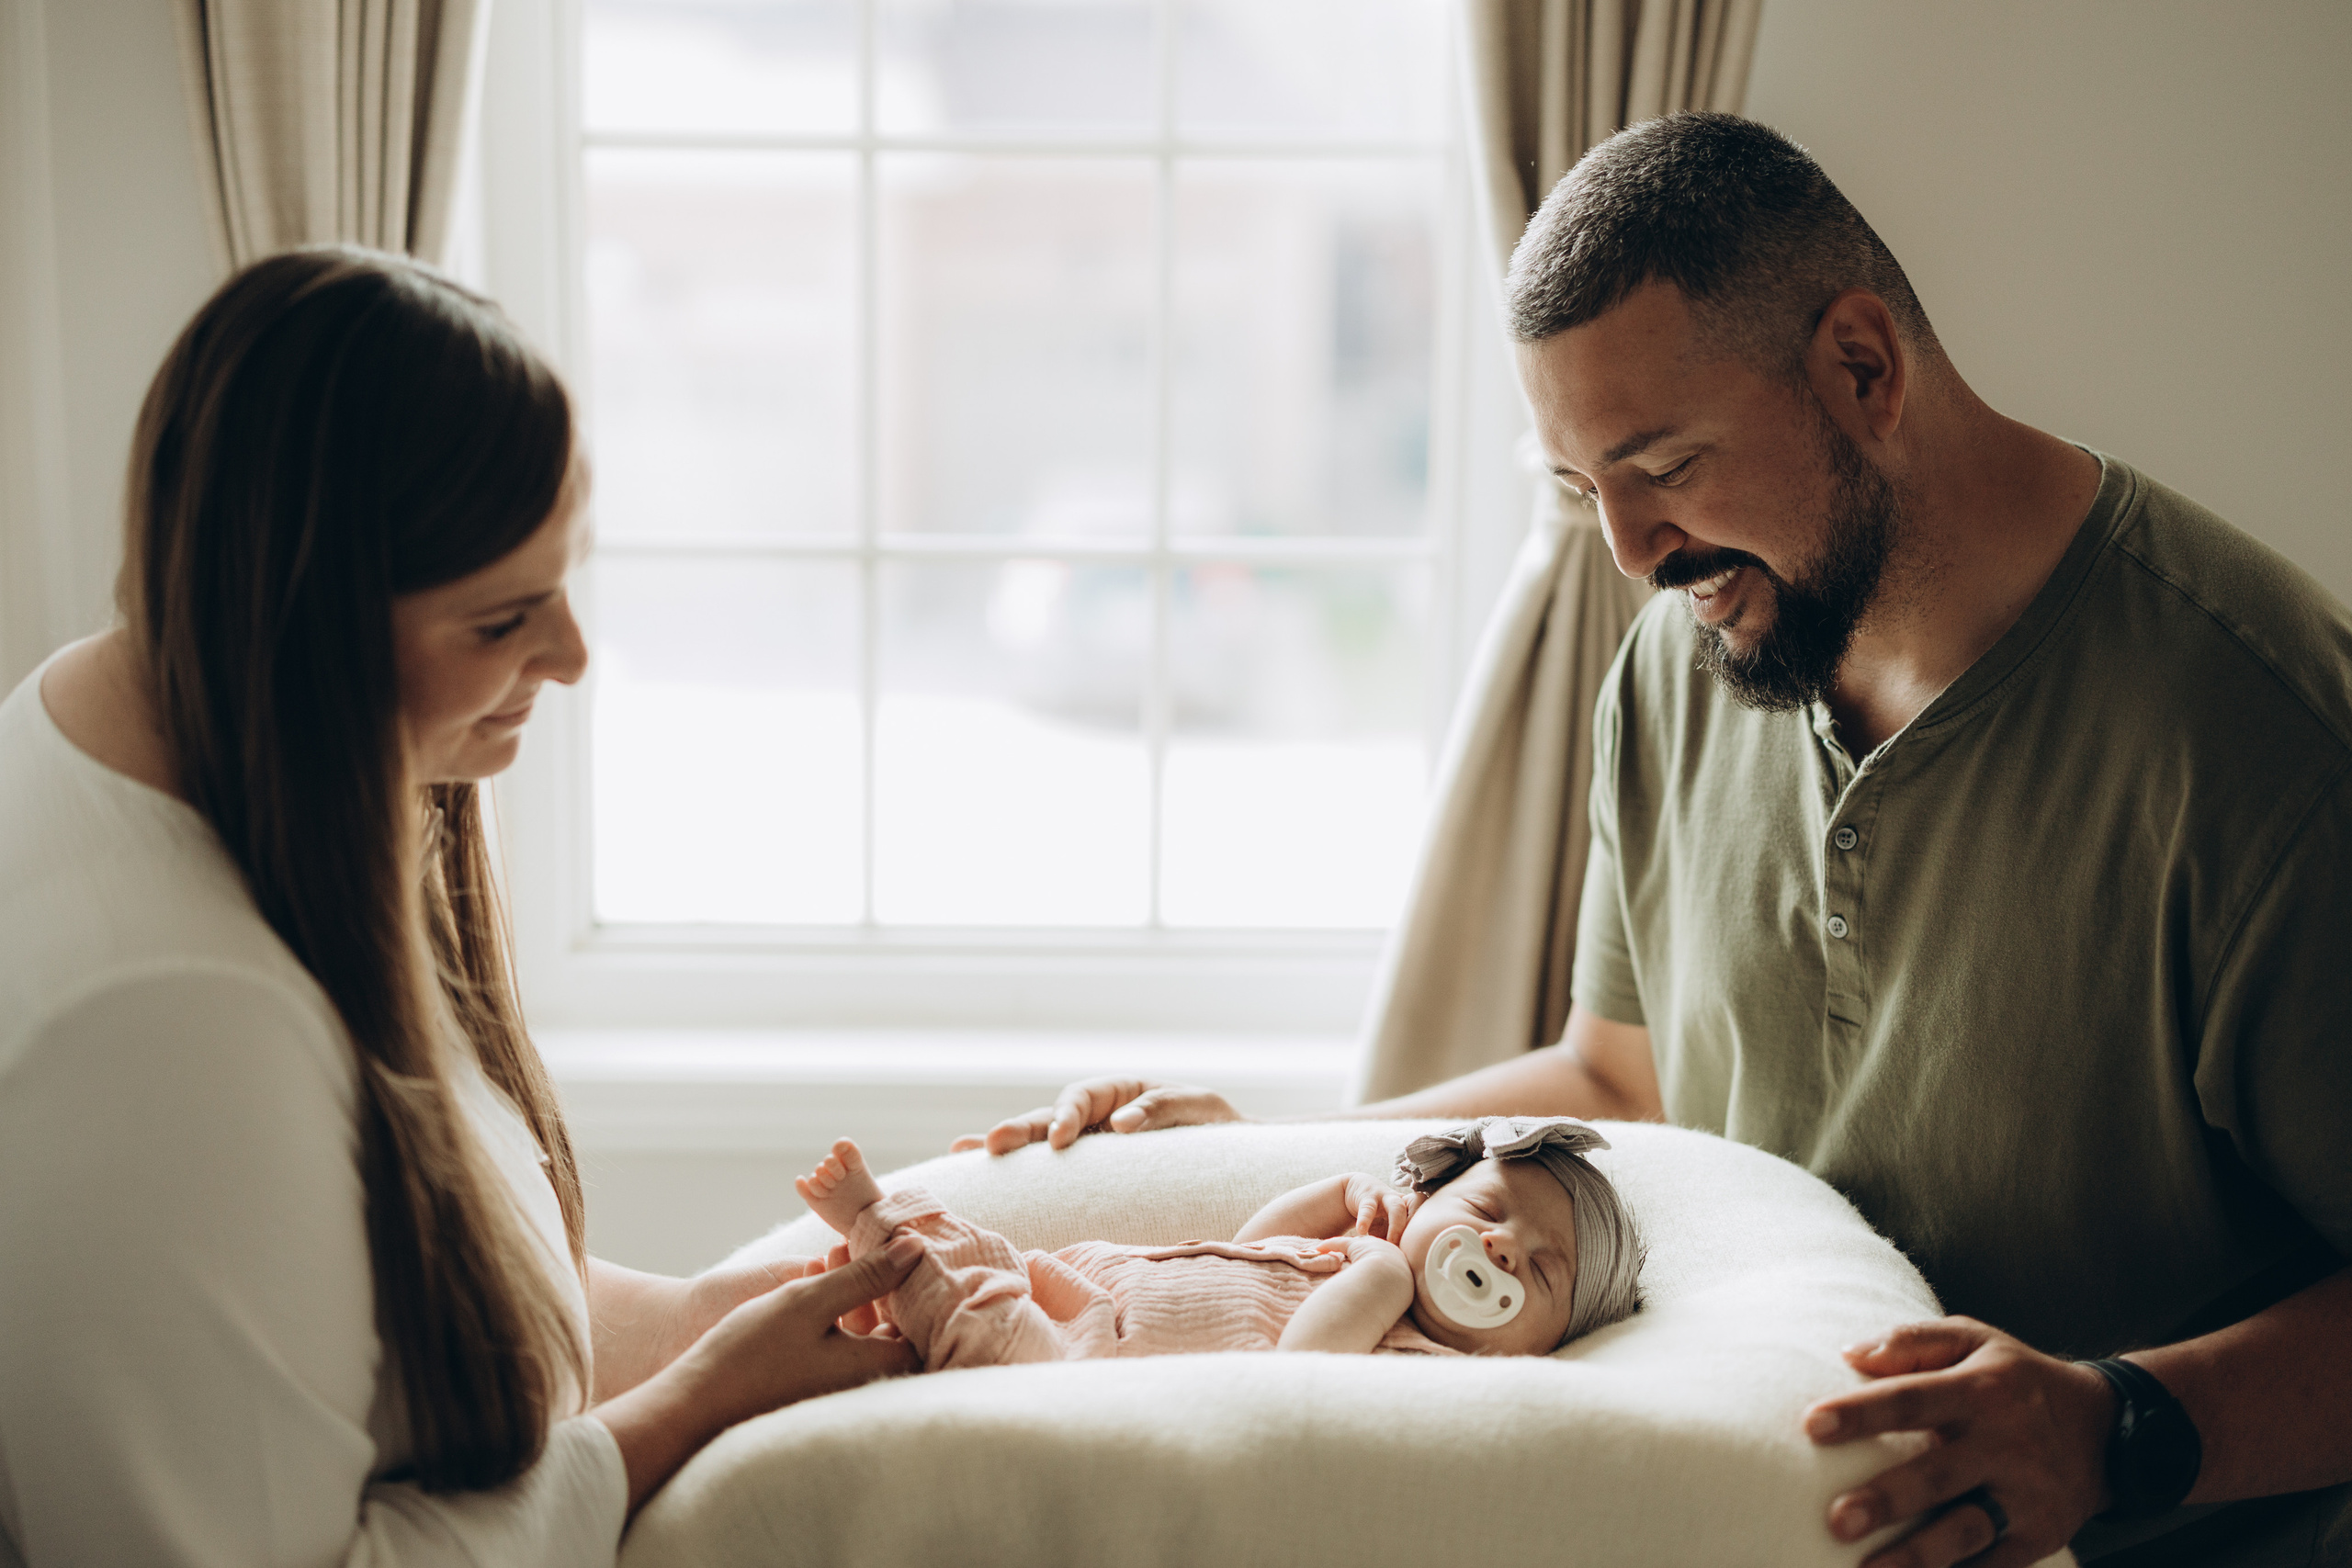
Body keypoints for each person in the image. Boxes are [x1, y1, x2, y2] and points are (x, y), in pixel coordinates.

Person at [957, 115, 2352, 1568]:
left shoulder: (2263, 740)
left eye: (1665, 464)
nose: (1628, 552)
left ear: (1862, 368)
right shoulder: (1687, 661)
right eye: (1581, 491)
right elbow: (1623, 1076)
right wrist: (1271, 1148)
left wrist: (2113, 1427)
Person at [0, 246, 924, 1565]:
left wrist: (688, 1321)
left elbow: (353, 1300)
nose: (573, 657)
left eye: (566, 578)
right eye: (500, 622)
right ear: (307, 626)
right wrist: (690, 1402)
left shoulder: (203, 733)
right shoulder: (167, 1031)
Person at [792, 1118, 1642, 1366]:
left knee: (989, 1332)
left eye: (1542, 1270)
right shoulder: (1345, 1252)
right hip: (1083, 1289)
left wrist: (1383, 1272)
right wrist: (1338, 1197)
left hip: (1083, 1363)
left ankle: (887, 1235)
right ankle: (888, 1311)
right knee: (994, 1262)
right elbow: (1247, 1247)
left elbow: (1303, 1364)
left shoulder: (1420, 1357)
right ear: (1424, 1197)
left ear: (1545, 1346)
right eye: (1487, 1208)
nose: (1501, 1248)